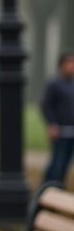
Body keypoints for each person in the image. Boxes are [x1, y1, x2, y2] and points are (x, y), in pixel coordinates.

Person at [42, 51, 74, 188]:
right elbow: (45, 105)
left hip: (72, 131)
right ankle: (48, 188)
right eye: (69, 62)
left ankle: (59, 188)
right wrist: (52, 124)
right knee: (57, 163)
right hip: (60, 131)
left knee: (66, 164)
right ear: (62, 64)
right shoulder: (54, 84)